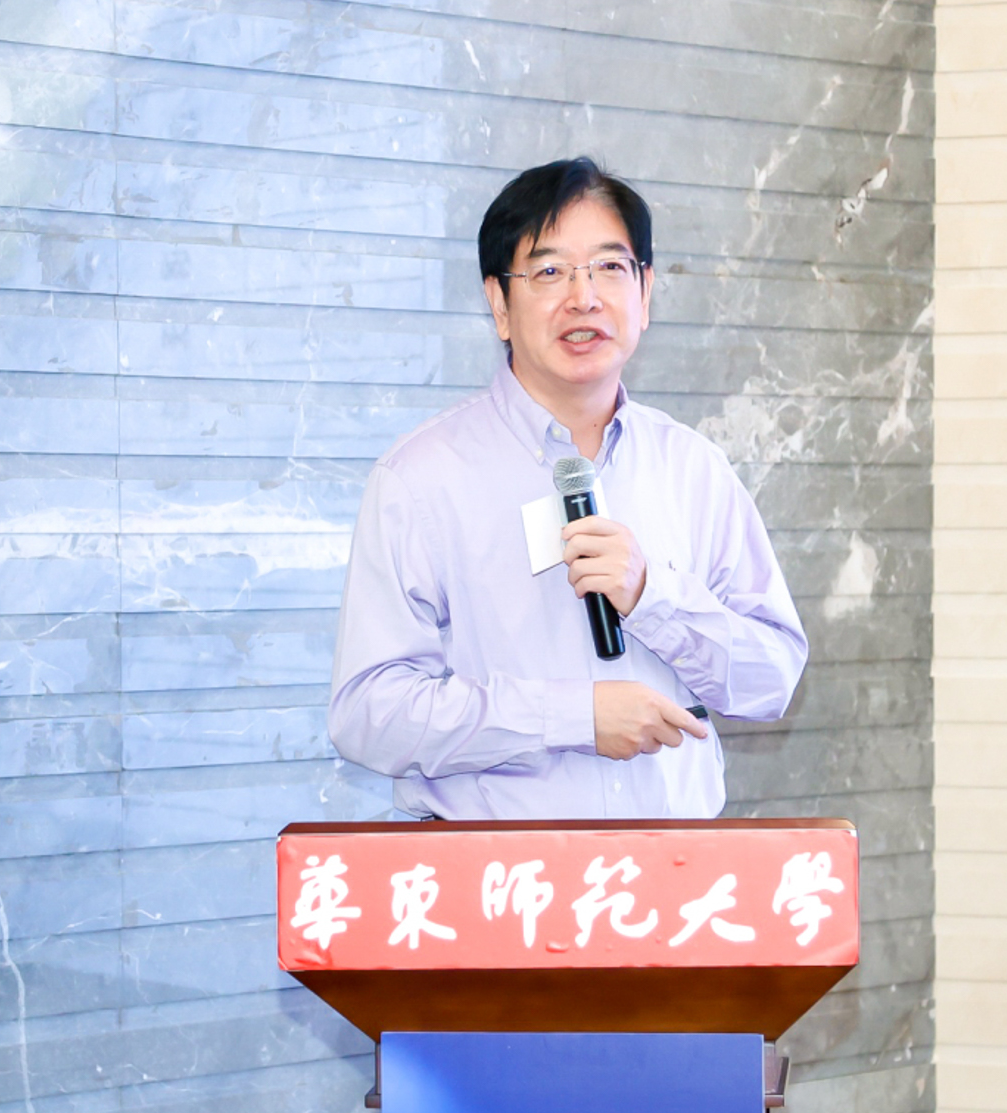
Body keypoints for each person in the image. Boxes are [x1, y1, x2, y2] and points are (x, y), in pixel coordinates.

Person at [328, 158, 807, 819]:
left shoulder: (694, 469)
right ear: (499, 303)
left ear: (646, 291)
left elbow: (772, 680)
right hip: (498, 873)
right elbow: (368, 715)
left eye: (610, 267)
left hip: (670, 869)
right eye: (550, 272)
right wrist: (571, 716)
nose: (584, 298)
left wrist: (652, 596)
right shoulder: (420, 480)